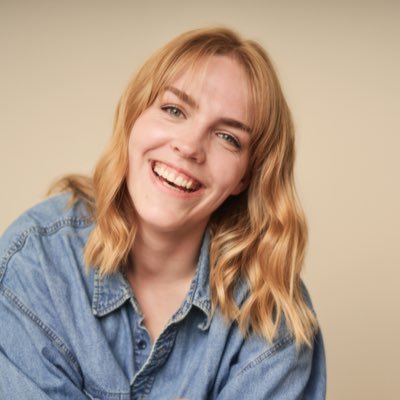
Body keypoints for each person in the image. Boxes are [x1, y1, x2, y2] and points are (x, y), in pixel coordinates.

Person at [0, 27, 326, 399]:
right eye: (174, 110)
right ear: (134, 116)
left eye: (228, 137)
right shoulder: (37, 262)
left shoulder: (271, 314)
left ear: (246, 176)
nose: (189, 147)